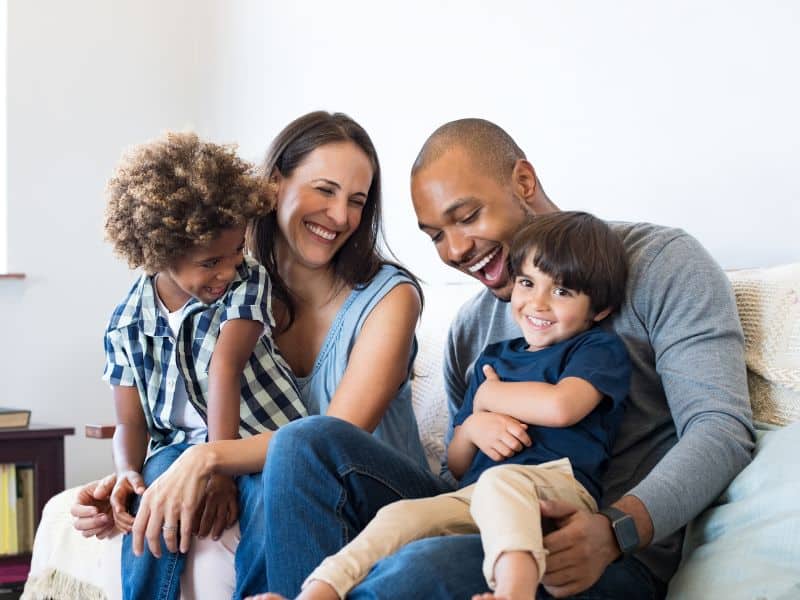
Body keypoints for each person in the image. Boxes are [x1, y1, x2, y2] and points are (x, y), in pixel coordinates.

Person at [256, 118, 755, 599]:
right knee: (305, 443)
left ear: (523, 180)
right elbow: (460, 473)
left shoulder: (660, 263)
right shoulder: (472, 328)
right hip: (483, 519)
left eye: (467, 217)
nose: (454, 250)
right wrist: (471, 432)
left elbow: (720, 427)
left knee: (416, 569)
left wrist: (615, 530)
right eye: (434, 235)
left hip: (599, 553)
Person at [71, 112, 427, 597]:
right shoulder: (222, 285)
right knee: (164, 483)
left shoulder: (388, 298)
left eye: (357, 202)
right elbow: (174, 405)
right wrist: (129, 478)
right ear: (275, 184)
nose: (341, 216)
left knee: (293, 456)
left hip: (374, 492)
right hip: (269, 474)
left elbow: (329, 441)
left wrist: (208, 459)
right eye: (325, 190)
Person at [273, 211, 631, 600]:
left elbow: (563, 407)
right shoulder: (494, 358)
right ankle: (316, 592)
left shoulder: (595, 348)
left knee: (501, 481)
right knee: (401, 515)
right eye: (527, 283)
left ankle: (514, 590)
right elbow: (458, 463)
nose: (538, 304)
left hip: (557, 492)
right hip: (477, 496)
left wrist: (489, 398)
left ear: (599, 311)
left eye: (562, 292)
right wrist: (475, 427)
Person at [101, 131, 307, 600]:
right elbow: (128, 421)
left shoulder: (247, 283)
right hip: (178, 447)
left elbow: (225, 368)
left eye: (236, 252)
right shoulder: (125, 324)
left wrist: (219, 469)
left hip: (259, 439)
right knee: (152, 491)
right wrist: (126, 471)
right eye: (211, 261)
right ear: (161, 254)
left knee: (266, 499)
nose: (229, 270)